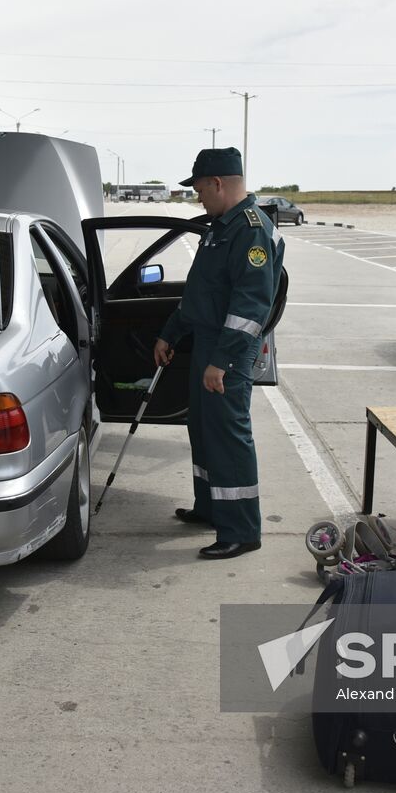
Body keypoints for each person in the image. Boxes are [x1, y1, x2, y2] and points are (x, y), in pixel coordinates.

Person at [153, 147, 284, 560]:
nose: (197, 198)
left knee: (228, 439)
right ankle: (211, 507)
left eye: (198, 189)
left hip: (228, 351)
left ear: (218, 183)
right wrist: (169, 334)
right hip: (207, 344)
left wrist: (221, 361)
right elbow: (200, 294)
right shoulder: (221, 227)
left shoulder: (251, 230)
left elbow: (250, 307)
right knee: (204, 431)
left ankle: (241, 529)